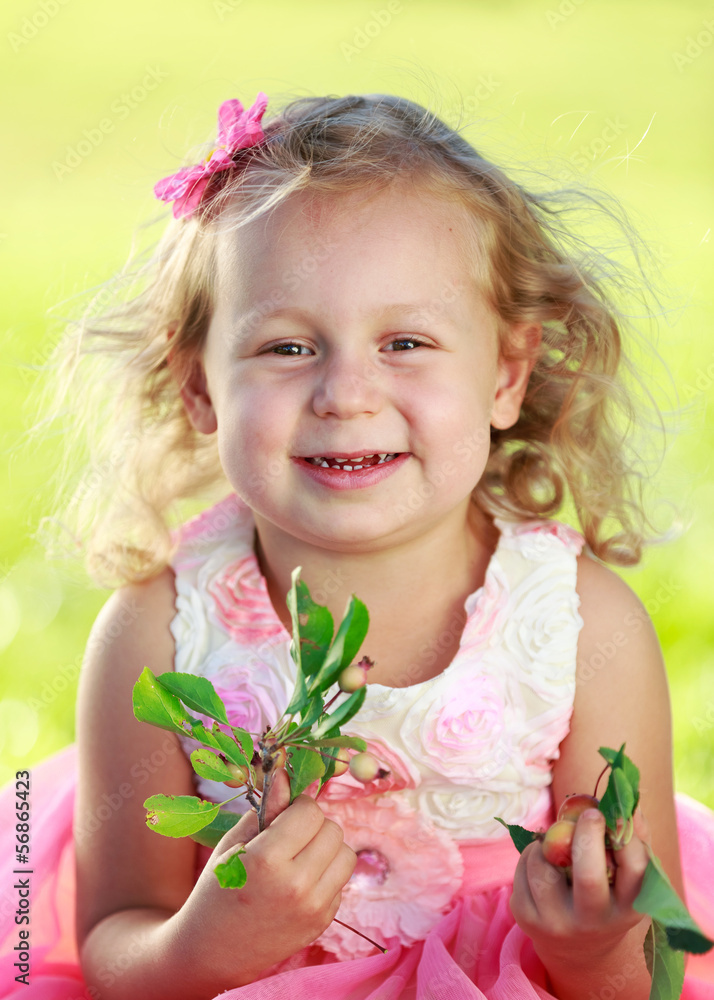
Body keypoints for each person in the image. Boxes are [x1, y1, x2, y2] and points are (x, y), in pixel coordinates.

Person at [1, 90, 713, 1000]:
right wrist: (204, 946)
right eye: (289, 347)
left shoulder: (581, 629)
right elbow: (111, 947)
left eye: (406, 341)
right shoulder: (153, 634)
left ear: (506, 373)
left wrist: (588, 950)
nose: (346, 393)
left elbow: (649, 974)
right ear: (200, 389)